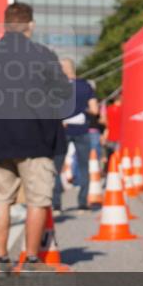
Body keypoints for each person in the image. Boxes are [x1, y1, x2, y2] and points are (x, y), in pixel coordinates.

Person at [0, 2, 71, 272]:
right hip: (36, 139)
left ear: (5, 24)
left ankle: (1, 258)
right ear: (31, 25)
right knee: (38, 200)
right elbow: (63, 94)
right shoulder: (43, 54)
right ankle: (32, 259)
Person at [52, 58, 98, 212]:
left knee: (55, 168)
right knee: (84, 167)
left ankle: (56, 204)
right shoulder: (86, 86)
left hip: (62, 130)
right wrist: (82, 111)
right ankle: (83, 203)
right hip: (82, 130)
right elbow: (95, 110)